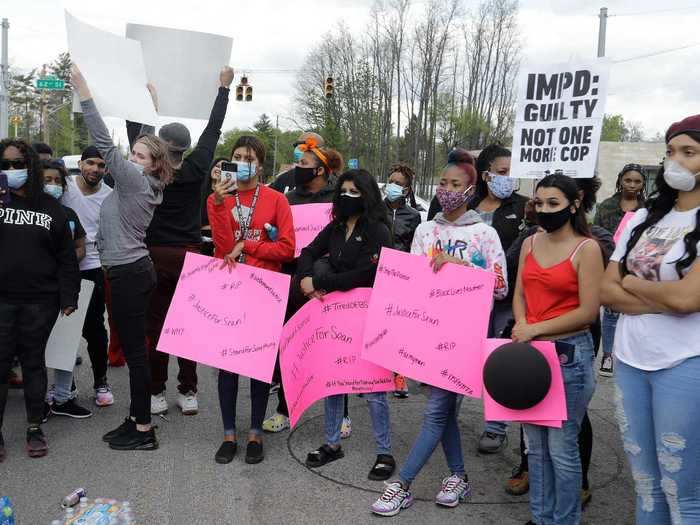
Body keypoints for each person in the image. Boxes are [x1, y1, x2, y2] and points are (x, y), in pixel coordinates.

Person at [371, 149, 508, 517]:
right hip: (428, 335)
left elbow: (500, 287)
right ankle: (459, 476)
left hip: (464, 339)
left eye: (456, 184)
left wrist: (462, 267)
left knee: (435, 411)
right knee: (443, 411)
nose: (448, 189)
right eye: (444, 182)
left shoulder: (485, 234)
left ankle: (402, 484)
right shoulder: (425, 230)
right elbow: (412, 280)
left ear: (471, 189)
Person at [600, 115, 700, 524]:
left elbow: (686, 297)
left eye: (689, 152)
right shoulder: (642, 220)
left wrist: (632, 284)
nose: (675, 160)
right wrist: (666, 299)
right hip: (629, 359)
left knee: (682, 491)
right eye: (671, 151)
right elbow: (606, 290)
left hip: (684, 364)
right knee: (646, 486)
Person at [72, 64, 173, 451]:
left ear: (153, 165)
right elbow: (141, 140)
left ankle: (144, 429)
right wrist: (148, 107)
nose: (132, 158)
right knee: (135, 350)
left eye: (140, 155)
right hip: (130, 270)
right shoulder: (143, 181)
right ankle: (136, 416)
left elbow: (102, 138)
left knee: (135, 353)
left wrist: (86, 93)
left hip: (130, 273)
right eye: (132, 153)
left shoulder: (133, 181)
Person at [127, 67, 233, 417]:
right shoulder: (198, 167)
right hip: (191, 255)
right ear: (185, 150)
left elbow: (136, 139)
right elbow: (213, 131)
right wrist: (223, 89)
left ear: (160, 148)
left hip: (153, 255)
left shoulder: (150, 171)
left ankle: (156, 393)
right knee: (188, 326)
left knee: (154, 327)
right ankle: (188, 391)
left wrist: (146, 104)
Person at [503, 175, 614, 506]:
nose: (545, 210)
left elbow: (587, 312)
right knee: (534, 448)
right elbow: (520, 292)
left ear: (574, 204)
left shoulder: (587, 248)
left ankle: (563, 518)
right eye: (539, 204)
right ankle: (540, 516)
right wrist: (523, 322)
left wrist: (536, 329)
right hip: (530, 351)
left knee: (562, 449)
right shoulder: (530, 244)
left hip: (569, 355)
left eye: (554, 204)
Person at [299, 169, 395, 480]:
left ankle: (384, 451)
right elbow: (309, 251)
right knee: (334, 379)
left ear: (367, 196)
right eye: (344, 190)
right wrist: (305, 278)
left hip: (368, 314)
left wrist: (324, 280)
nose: (348, 197)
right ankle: (332, 442)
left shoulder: (378, 230)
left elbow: (365, 275)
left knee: (374, 387)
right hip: (336, 315)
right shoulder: (336, 226)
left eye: (355, 192)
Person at [208, 135, 295, 464]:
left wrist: (249, 246)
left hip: (264, 293)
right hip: (229, 291)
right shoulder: (218, 199)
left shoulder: (276, 200)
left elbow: (287, 249)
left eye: (249, 157)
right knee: (228, 365)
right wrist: (217, 203)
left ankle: (255, 432)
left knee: (259, 366)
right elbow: (221, 245)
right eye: (237, 157)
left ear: (260, 164)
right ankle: (229, 433)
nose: (243, 162)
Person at [0, 139, 80, 460]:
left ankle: (34, 426)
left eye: (18, 163)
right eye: (4, 165)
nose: (12, 170)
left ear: (30, 165)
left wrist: (69, 295)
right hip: (1, 300)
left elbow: (66, 257)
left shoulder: (51, 207)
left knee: (34, 363)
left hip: (40, 301)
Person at [262, 139, 343, 433]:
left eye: (303, 165)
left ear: (320, 170)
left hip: (324, 284)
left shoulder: (336, 198)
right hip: (290, 279)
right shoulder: (287, 199)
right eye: (298, 163)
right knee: (289, 346)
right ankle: (285, 408)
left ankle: (341, 413)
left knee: (331, 348)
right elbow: (279, 235)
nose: (298, 169)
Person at [464, 145, 528, 455]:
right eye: (502, 172)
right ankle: (445, 414)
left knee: (498, 360)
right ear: (486, 173)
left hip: (504, 299)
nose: (508, 178)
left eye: (511, 172)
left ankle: (496, 426)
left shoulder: (525, 208)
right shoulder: (468, 203)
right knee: (460, 358)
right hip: (464, 300)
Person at [59, 146, 115, 408]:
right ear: (80, 164)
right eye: (90, 163)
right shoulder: (63, 187)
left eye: (101, 165)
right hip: (61, 266)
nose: (95, 169)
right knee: (62, 329)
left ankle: (101, 382)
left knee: (94, 329)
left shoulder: (110, 196)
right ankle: (64, 386)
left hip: (92, 265)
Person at [42, 159, 93, 419]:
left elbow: (80, 246)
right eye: (46, 180)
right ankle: (38, 401)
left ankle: (62, 398)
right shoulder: (26, 213)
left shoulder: (69, 216)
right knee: (33, 349)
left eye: (57, 182)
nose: (53, 186)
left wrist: (69, 258)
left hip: (65, 288)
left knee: (65, 346)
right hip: (35, 291)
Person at [594, 164, 646, 377]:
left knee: (636, 311)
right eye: (628, 180)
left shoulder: (648, 209)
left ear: (643, 184)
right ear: (620, 180)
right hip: (610, 265)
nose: (632, 185)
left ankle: (633, 356)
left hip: (638, 268)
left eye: (637, 181)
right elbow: (595, 234)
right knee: (611, 312)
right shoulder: (606, 206)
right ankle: (607, 355)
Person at [383, 162, 421, 398]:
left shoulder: (414, 215)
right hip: (375, 274)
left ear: (407, 190)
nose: (394, 186)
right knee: (375, 326)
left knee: (399, 329)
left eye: (399, 184)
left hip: (402, 278)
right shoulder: (374, 209)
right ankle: (370, 376)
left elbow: (414, 247)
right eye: (391, 182)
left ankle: (399, 374)